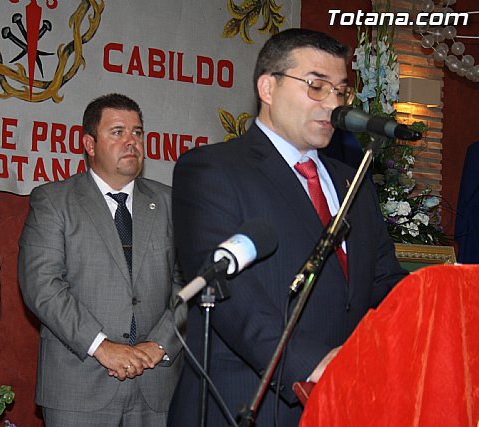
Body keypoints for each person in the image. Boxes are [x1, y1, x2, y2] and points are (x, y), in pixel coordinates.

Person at [167, 29, 408, 427]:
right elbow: (230, 295)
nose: (333, 104)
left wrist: (435, 313)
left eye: (341, 91)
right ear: (268, 87)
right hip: (249, 402)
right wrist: (311, 364)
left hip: (346, 402)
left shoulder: (355, 182)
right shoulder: (211, 169)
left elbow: (383, 282)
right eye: (316, 86)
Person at [18, 93, 185, 426]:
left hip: (157, 387)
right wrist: (102, 346)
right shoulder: (54, 201)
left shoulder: (170, 203)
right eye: (118, 132)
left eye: (137, 133)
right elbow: (42, 286)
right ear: (89, 144)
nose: (131, 142)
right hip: (79, 386)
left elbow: (191, 284)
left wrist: (160, 345)